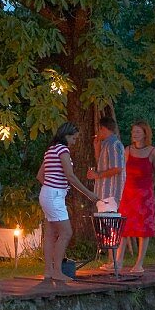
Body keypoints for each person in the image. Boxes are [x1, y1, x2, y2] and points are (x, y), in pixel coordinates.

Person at [37, 121, 97, 284]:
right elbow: (70, 176)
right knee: (66, 232)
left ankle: (49, 271)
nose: (75, 142)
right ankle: (57, 271)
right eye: (74, 138)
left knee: (51, 234)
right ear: (66, 135)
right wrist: (89, 194)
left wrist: (50, 186)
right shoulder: (63, 150)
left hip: (47, 193)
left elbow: (40, 175)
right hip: (54, 195)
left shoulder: (51, 150)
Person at [118, 120, 155, 275]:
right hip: (128, 193)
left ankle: (139, 264)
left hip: (145, 194)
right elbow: (121, 171)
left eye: (137, 132)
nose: (134, 134)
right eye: (133, 132)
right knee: (123, 227)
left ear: (145, 133)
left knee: (144, 229)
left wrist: (148, 187)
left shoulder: (152, 152)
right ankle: (118, 261)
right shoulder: (127, 150)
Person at [87, 116, 130, 270]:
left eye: (99, 129)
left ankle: (115, 262)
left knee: (110, 226)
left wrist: (98, 175)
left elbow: (117, 168)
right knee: (106, 225)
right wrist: (96, 148)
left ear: (104, 129)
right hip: (103, 192)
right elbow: (102, 163)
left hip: (110, 192)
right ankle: (112, 261)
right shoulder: (106, 144)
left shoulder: (114, 144)